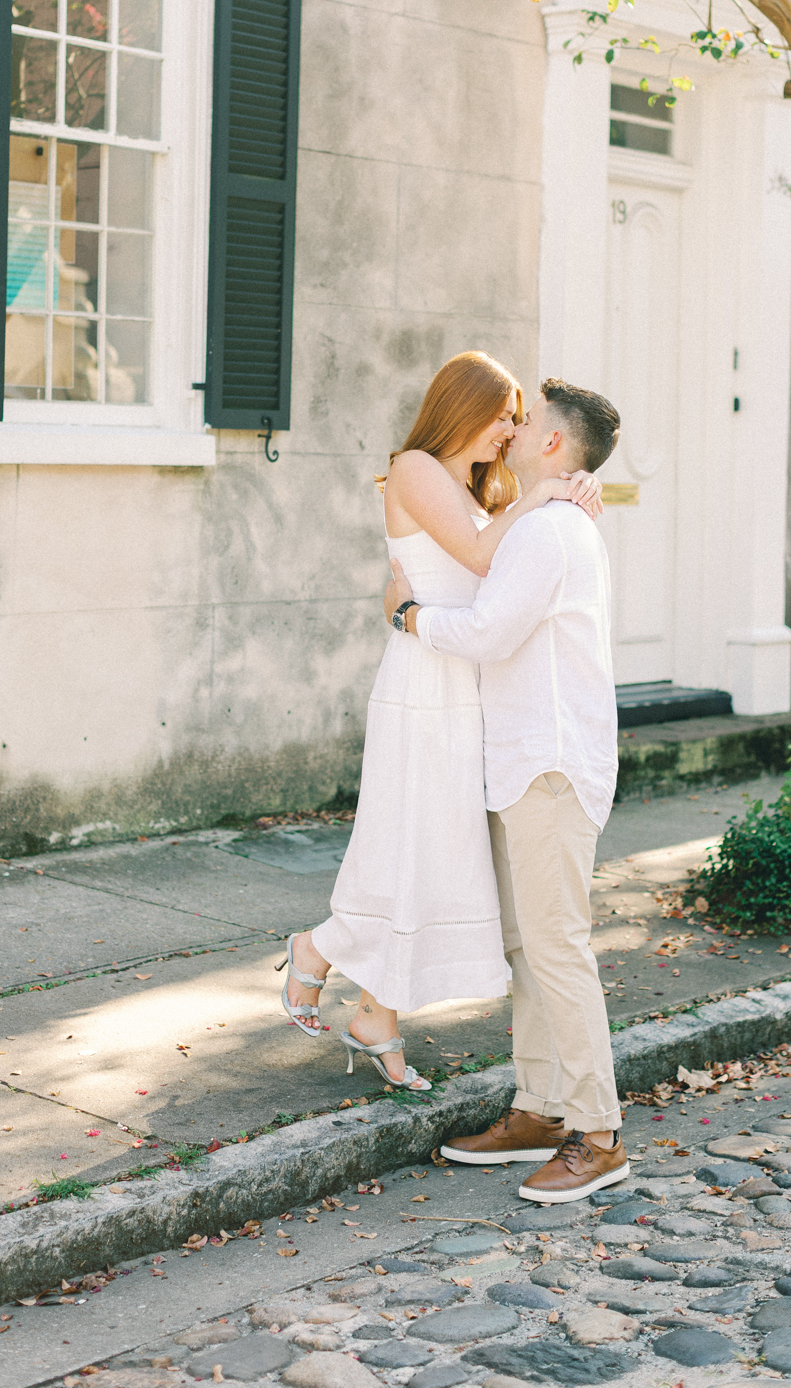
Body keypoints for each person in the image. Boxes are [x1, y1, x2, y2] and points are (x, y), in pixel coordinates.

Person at [276, 352, 601, 1089]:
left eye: (520, 418)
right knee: (406, 842)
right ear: (462, 407)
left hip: (465, 684)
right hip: (424, 683)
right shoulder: (417, 466)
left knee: (433, 854)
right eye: (502, 415)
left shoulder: (483, 486)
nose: (511, 429)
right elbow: (486, 556)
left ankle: (376, 1016)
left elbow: (512, 555)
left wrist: (572, 487)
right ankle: (316, 950)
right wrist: (551, 489)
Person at [383, 379, 626, 1200]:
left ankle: (598, 1131)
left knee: (557, 947)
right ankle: (540, 1109)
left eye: (529, 425)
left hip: (550, 765)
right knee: (527, 945)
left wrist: (408, 616)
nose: (514, 431)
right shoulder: (542, 520)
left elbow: (487, 632)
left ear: (556, 445)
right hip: (522, 762)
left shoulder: (551, 532)